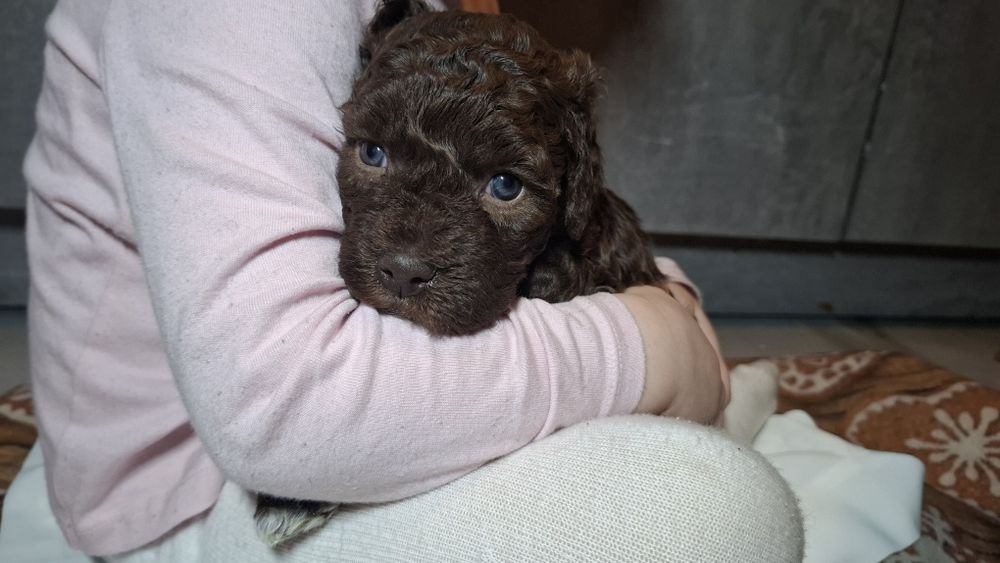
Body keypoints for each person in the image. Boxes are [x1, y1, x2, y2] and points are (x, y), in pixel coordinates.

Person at [1, 0, 802, 561]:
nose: (410, 251)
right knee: (717, 515)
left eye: (503, 188)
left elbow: (585, 229)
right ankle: (730, 416)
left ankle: (728, 406)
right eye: (373, 156)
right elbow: (284, 410)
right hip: (195, 494)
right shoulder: (229, 12)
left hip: (305, 440)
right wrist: (649, 348)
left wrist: (662, 303)